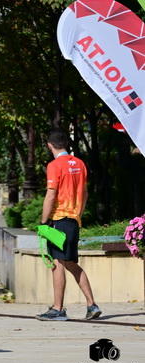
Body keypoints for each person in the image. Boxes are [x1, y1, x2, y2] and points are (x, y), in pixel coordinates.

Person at [36, 129, 101, 321]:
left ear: (50, 145)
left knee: (57, 263)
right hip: (73, 220)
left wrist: (43, 222)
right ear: (66, 143)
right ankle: (92, 305)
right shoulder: (79, 163)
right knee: (71, 263)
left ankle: (58, 309)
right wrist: (78, 215)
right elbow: (85, 193)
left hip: (59, 219)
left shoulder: (54, 165)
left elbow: (51, 195)